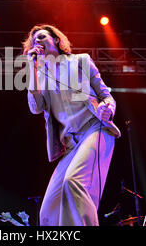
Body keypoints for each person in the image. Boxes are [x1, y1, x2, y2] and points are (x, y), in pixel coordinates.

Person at [23, 24, 121, 226]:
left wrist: (107, 109)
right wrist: (31, 68)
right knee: (49, 210)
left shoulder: (80, 61)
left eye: (42, 37)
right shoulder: (40, 77)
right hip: (70, 145)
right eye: (34, 41)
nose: (37, 42)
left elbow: (106, 96)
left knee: (73, 182)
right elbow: (36, 107)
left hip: (95, 129)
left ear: (56, 40)